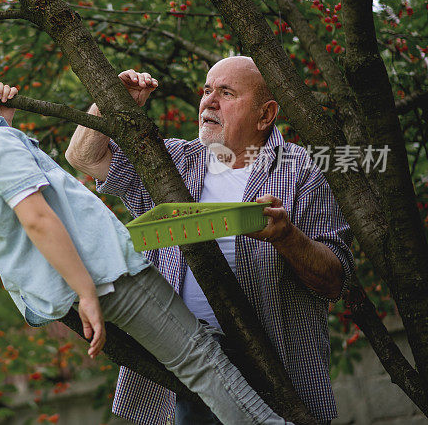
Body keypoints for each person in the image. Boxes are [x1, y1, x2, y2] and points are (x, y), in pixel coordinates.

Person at [0, 49, 292, 424]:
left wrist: (3, 123)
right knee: (200, 357)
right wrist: (85, 290)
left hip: (55, 290)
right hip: (104, 272)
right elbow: (35, 219)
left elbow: (3, 216)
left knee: (193, 356)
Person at [65, 56, 354, 425]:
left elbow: (334, 280)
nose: (209, 101)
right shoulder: (171, 161)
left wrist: (287, 237)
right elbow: (83, 157)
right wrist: (111, 101)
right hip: (185, 366)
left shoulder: (301, 172)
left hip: (275, 371)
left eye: (226, 92)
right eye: (206, 90)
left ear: (265, 115)